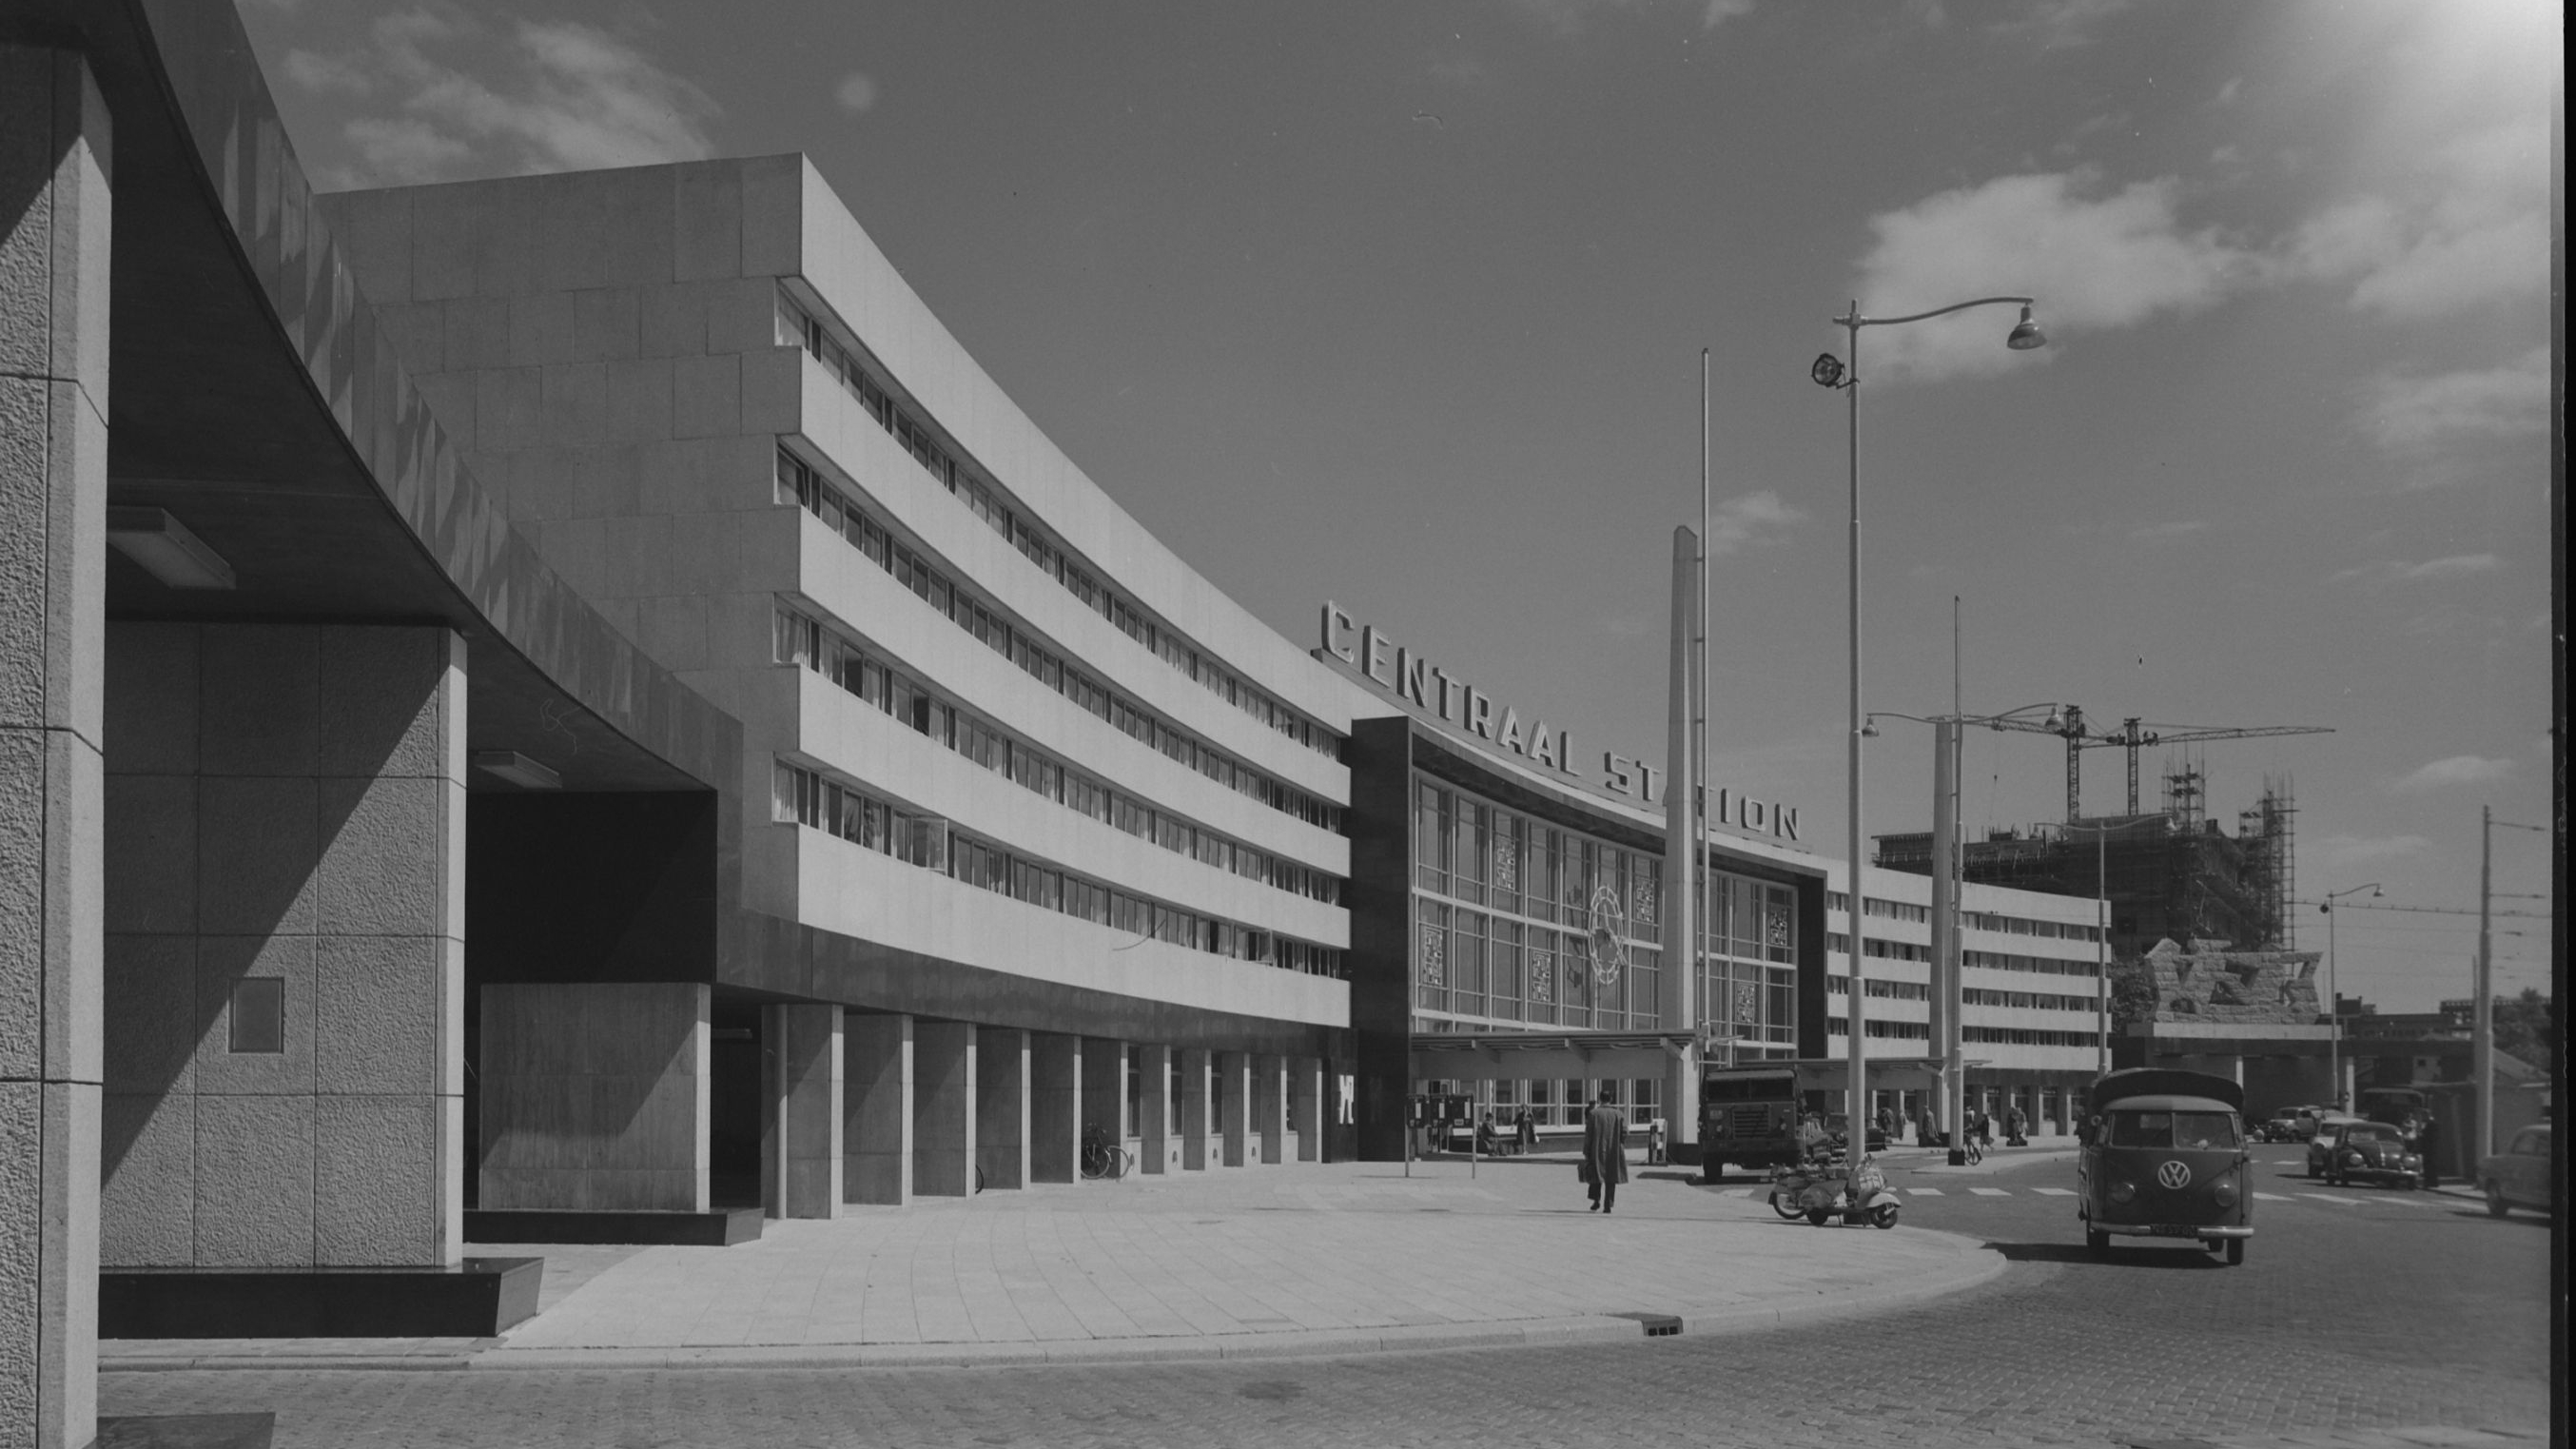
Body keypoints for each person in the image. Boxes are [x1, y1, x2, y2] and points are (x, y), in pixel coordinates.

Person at [1583, 1089, 1630, 1213]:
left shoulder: (1593, 1114)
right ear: (1611, 1099)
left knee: (1595, 1175)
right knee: (1611, 1177)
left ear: (1600, 1099)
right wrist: (1620, 1143)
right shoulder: (1618, 1114)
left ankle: (1596, 1200)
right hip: (1613, 1150)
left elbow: (1588, 1134)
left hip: (1597, 1149)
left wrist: (1586, 1150)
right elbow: (1625, 1132)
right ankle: (1608, 1204)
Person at [2416, 1112, 2442, 1189]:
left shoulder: (2433, 1125)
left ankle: (2431, 1182)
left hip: (2431, 1149)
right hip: (2427, 1149)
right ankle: (2429, 1182)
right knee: (2427, 1166)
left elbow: (2432, 1138)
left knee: (2431, 1166)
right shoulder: (2427, 1124)